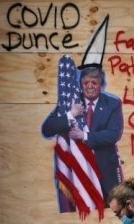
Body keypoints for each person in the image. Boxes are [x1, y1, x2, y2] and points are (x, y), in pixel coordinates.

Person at [42, 66, 124, 205]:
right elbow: (47, 129)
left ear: (102, 84)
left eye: (95, 82)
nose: (90, 86)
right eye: (86, 83)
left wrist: (84, 135)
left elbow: (113, 134)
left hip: (105, 174)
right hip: (76, 175)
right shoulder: (70, 101)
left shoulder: (113, 103)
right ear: (80, 84)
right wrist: (70, 115)